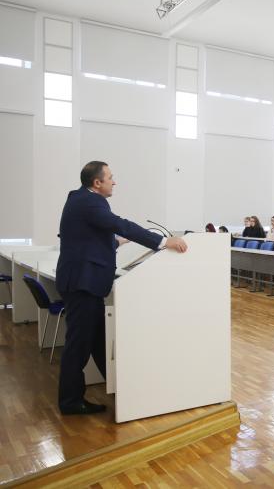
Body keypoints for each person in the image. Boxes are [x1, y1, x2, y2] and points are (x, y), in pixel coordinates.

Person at [56, 161, 188, 415]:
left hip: (85, 282)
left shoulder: (80, 200)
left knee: (97, 342)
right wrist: (162, 241)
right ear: (97, 182)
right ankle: (70, 401)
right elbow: (120, 223)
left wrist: (116, 241)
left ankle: (120, 388)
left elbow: (89, 238)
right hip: (84, 283)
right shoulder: (90, 201)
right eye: (110, 177)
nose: (114, 182)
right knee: (79, 345)